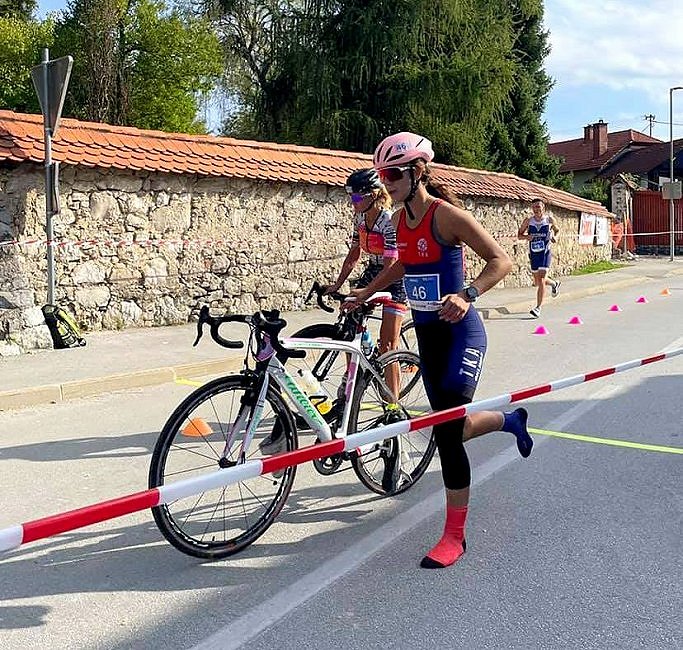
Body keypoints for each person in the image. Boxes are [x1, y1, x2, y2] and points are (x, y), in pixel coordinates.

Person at [350, 132, 533, 569]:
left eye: (393, 173)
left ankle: (454, 537)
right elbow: (402, 263)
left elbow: (500, 260)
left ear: (417, 172)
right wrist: (366, 292)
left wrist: (468, 294)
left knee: (449, 435)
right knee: (452, 427)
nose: (386, 181)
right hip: (429, 337)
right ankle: (511, 421)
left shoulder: (446, 215)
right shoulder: (397, 221)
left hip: (461, 335)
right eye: (381, 174)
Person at [326, 169, 408, 424]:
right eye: (350, 197)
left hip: (394, 276)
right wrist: (337, 284)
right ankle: (349, 388)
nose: (353, 203)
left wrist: (368, 293)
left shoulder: (388, 221)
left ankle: (393, 406)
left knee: (388, 345)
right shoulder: (359, 219)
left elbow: (390, 267)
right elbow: (353, 255)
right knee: (348, 323)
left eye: (357, 198)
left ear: (373, 195)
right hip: (373, 270)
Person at [517, 198, 561, 318]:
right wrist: (527, 237)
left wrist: (555, 237)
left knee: (541, 279)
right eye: (534, 207)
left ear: (543, 208)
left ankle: (538, 308)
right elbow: (519, 235)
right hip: (534, 253)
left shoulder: (549, 220)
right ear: (532, 209)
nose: (537, 209)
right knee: (537, 282)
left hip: (545, 253)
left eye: (539, 207)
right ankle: (554, 284)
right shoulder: (528, 221)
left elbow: (557, 231)